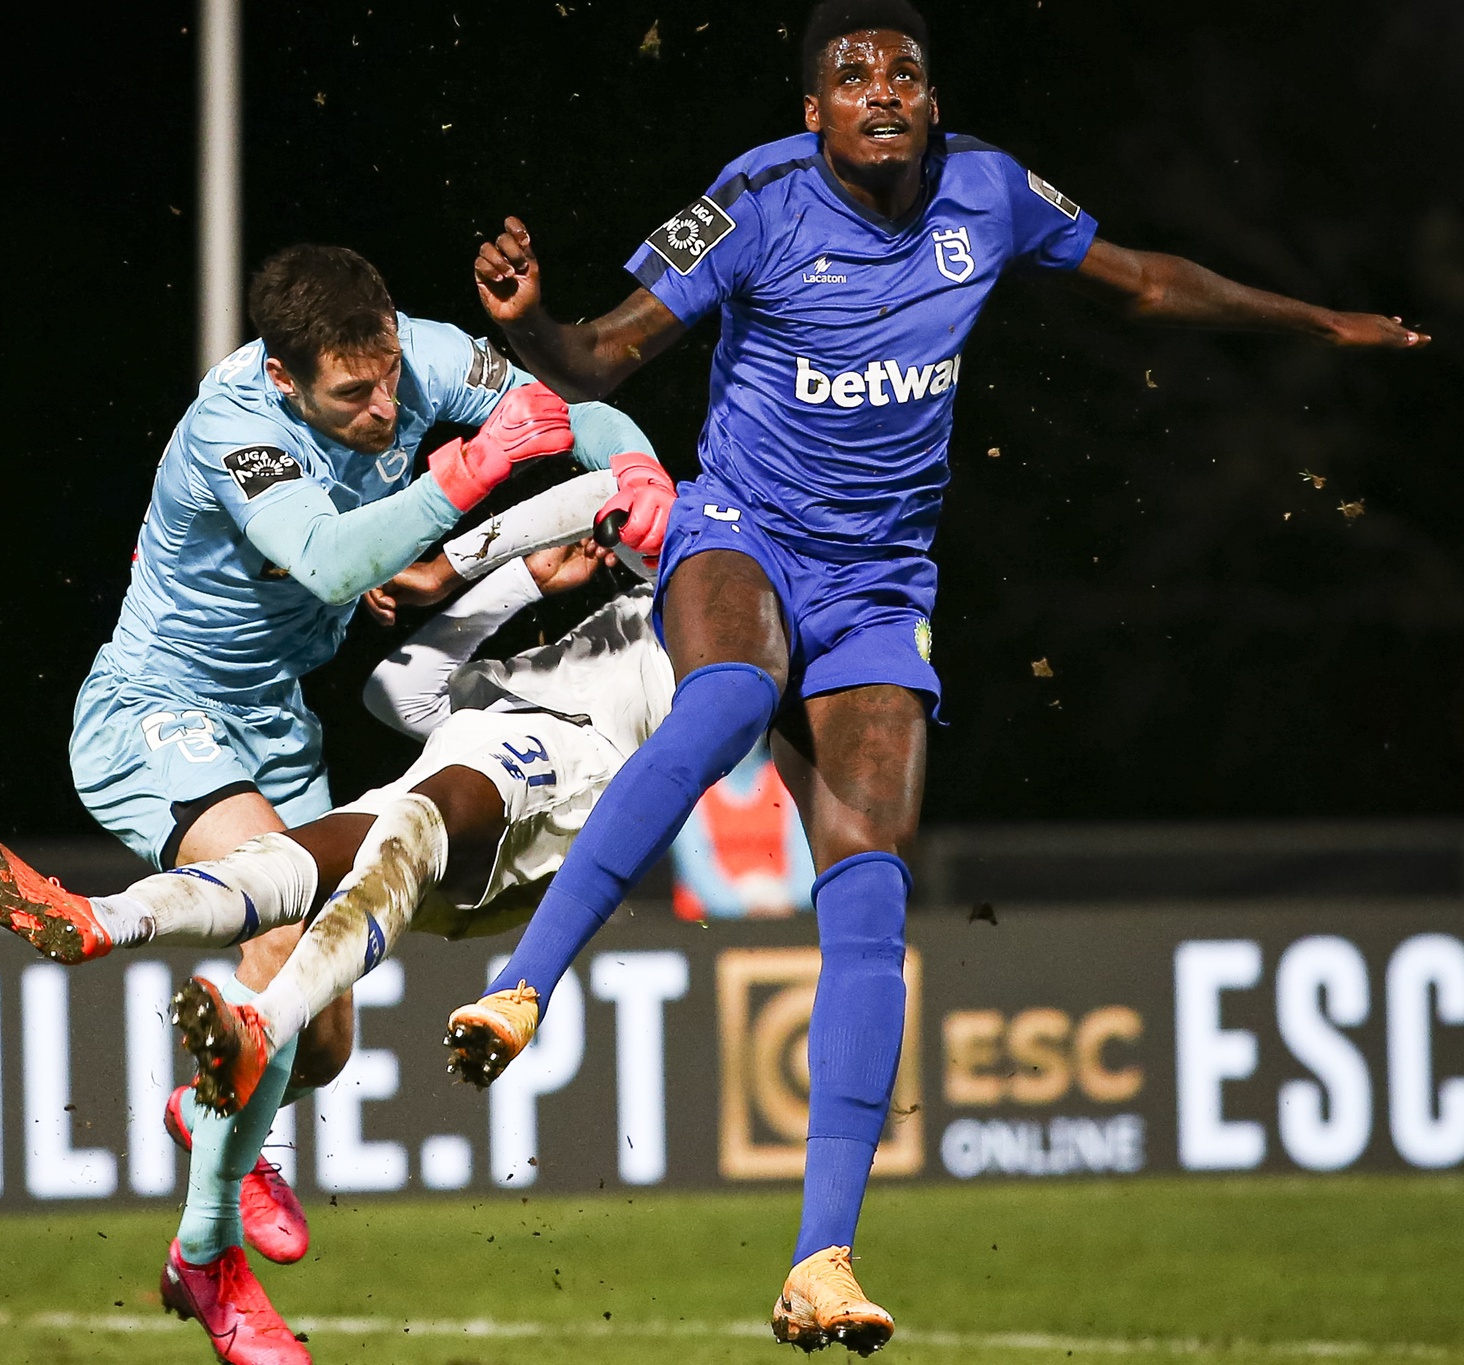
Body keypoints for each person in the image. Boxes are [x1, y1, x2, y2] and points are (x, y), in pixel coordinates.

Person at [448, 0, 1432, 1355]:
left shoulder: (989, 188)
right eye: (851, 74)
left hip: (881, 588)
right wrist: (538, 320)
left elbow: (1143, 280)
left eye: (905, 70)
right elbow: (608, 354)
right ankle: (527, 985)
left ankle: (821, 1259)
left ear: (931, 99)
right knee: (729, 699)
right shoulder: (754, 196)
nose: (884, 89)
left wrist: (1317, 321)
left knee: (871, 887)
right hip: (742, 528)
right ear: (814, 112)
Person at [0, 240, 663, 1365]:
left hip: (276, 727)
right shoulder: (232, 425)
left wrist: (630, 470)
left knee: (324, 1029)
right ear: (286, 378)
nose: (386, 405)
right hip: (159, 705)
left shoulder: (413, 360)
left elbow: (569, 408)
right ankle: (208, 1261)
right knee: (291, 928)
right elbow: (334, 560)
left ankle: (208, 1121)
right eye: (354, 394)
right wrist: (473, 468)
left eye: (391, 373)